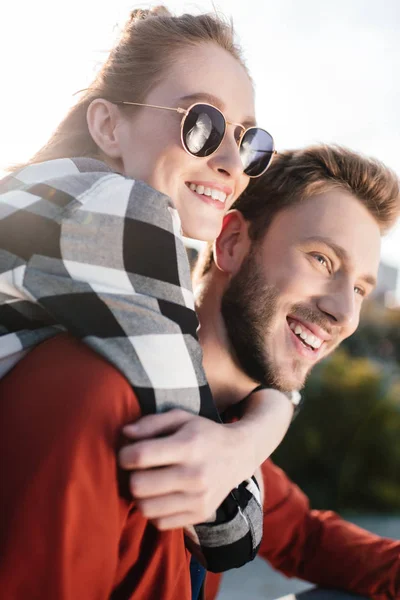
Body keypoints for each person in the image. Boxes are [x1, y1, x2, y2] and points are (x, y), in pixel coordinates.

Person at [0, 4, 298, 593]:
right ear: (110, 126)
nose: (234, 162)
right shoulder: (116, 210)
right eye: (202, 123)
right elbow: (226, 528)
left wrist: (264, 418)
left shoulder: (41, 197)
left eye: (248, 138)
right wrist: (271, 414)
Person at [118, 145, 400, 600]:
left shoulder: (233, 428)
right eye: (322, 260)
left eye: (361, 289)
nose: (345, 313)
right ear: (231, 243)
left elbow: (305, 538)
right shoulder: (106, 398)